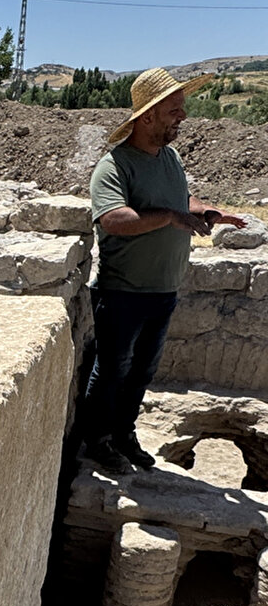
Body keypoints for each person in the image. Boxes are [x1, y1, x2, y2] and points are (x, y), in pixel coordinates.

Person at [82, 67, 247, 473]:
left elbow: (181, 200)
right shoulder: (115, 166)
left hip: (164, 289)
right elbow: (114, 219)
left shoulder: (170, 158)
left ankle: (123, 435)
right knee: (112, 371)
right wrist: (170, 218)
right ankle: (97, 442)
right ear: (148, 115)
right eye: (174, 110)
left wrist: (206, 211)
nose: (183, 116)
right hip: (123, 291)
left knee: (142, 372)